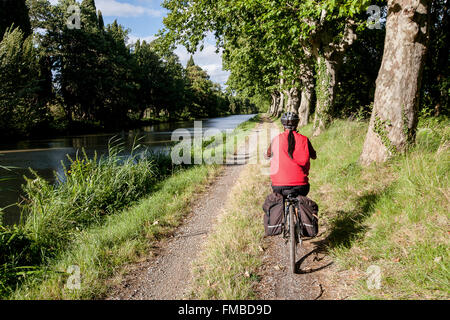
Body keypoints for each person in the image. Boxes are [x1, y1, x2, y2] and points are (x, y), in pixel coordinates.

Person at [265, 112, 316, 197]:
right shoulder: (304, 139)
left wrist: (267, 155)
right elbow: (314, 156)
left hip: (278, 185)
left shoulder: (276, 139)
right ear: (297, 124)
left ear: (283, 125)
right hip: (301, 185)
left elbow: (268, 154)